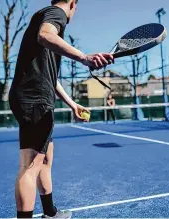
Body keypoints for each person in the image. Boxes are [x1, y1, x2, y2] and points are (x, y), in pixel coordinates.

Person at [9, 0, 114, 218]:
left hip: (36, 97)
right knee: (31, 165)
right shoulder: (55, 15)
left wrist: (72, 103)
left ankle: (50, 213)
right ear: (74, 3)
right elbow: (45, 35)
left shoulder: (44, 19)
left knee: (46, 158)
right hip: (34, 98)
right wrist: (85, 57)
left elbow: (51, 78)